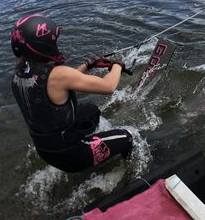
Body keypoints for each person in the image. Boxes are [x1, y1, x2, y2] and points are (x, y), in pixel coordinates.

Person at [10, 14, 134, 173]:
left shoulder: (18, 76)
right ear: (44, 45)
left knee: (90, 111)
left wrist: (88, 65)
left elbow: (59, 83)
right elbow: (108, 86)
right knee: (128, 136)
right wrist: (118, 65)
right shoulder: (59, 74)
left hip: (46, 150)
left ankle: (97, 146)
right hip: (71, 155)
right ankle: (126, 173)